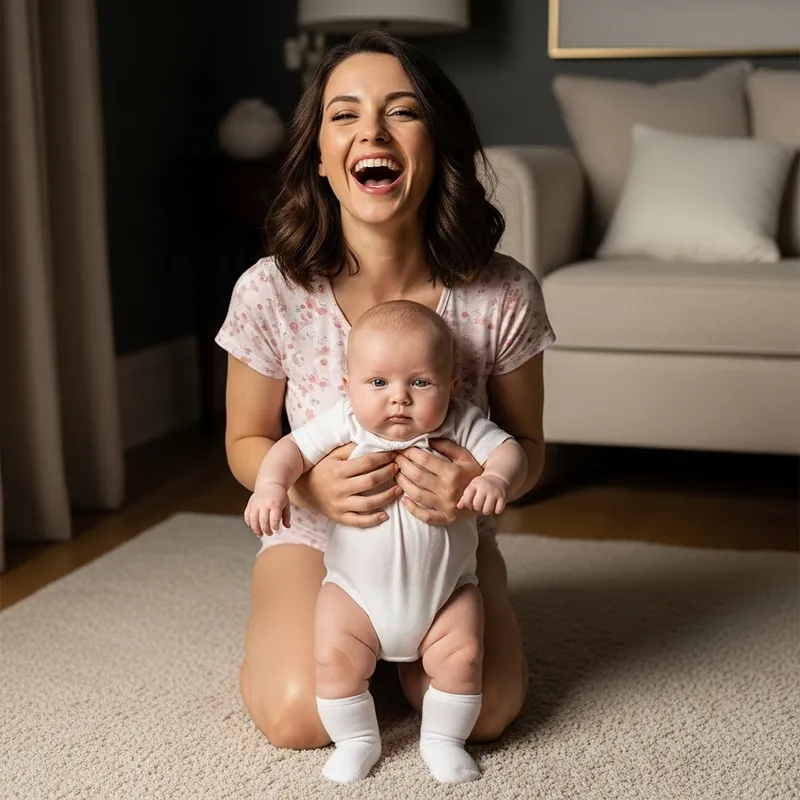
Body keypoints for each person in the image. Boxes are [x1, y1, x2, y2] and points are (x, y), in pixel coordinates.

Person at [215, 27, 555, 759]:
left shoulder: (503, 293)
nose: (372, 130)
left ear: (438, 144)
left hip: (447, 549)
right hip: (318, 543)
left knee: (486, 712)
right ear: (320, 158)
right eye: (345, 114)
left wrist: (478, 484)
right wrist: (308, 493)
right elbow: (246, 442)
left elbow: (529, 450)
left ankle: (410, 652)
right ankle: (314, 640)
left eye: (402, 111)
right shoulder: (270, 293)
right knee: (299, 719)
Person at [243, 299, 528, 783]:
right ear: (348, 386)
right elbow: (287, 449)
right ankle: (358, 740)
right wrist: (273, 486)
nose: (400, 398)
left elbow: (510, 450)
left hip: (445, 594)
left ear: (452, 385)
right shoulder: (344, 422)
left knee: (463, 657)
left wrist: (496, 480)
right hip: (354, 592)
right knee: (332, 656)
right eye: (379, 383)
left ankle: (442, 740)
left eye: (420, 383)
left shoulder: (457, 421)